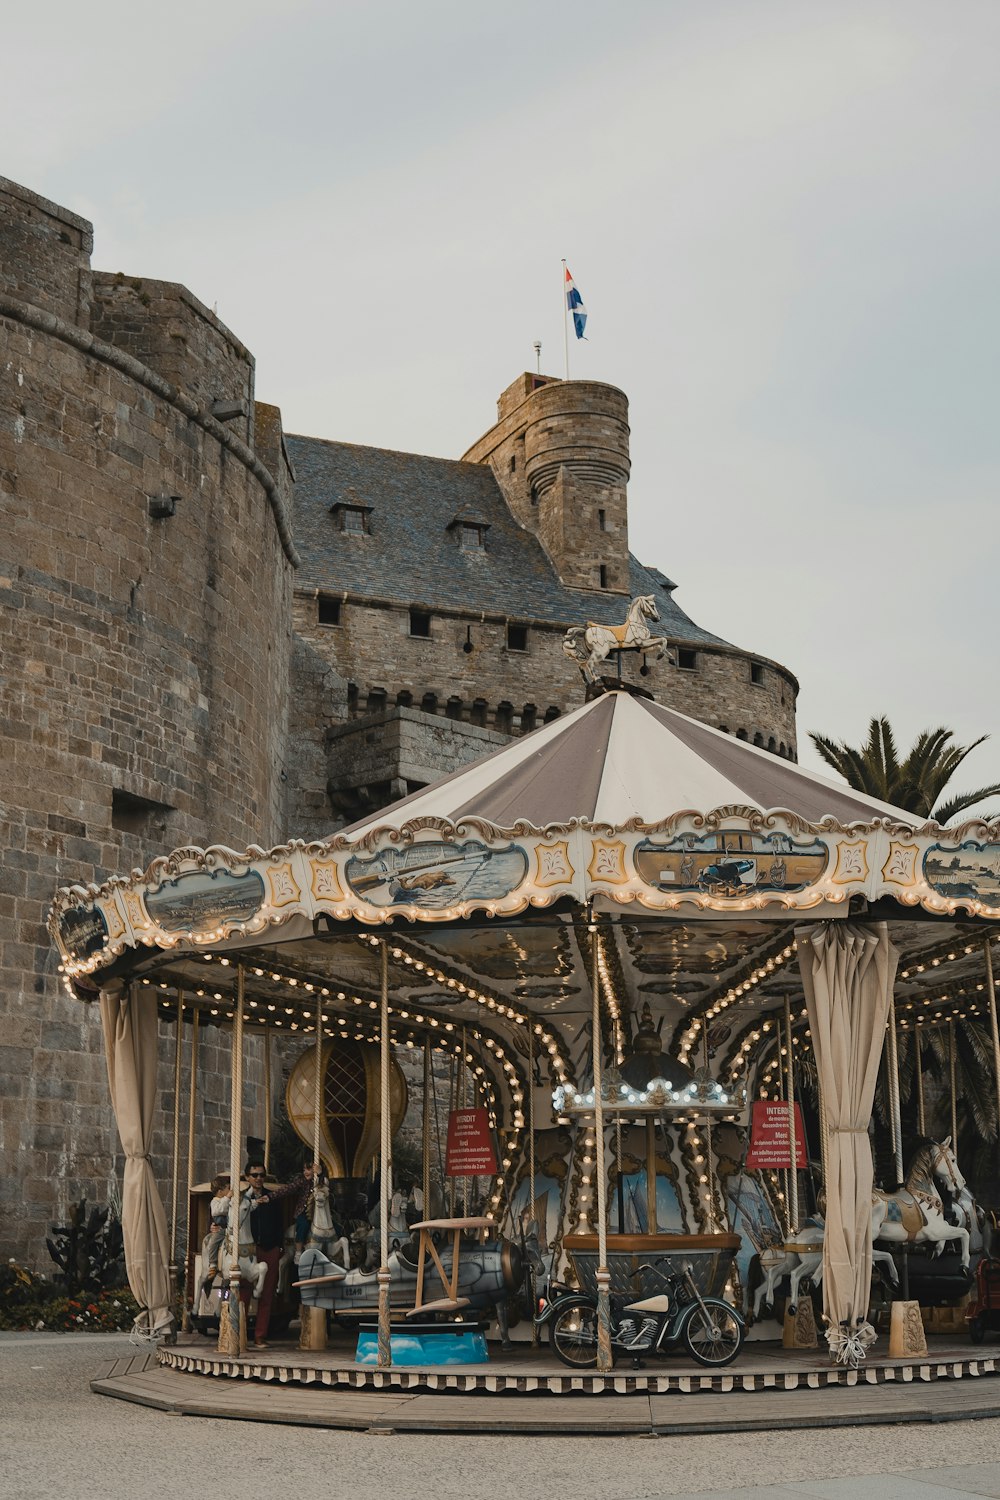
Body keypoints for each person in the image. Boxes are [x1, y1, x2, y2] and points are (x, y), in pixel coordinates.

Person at [242, 1158, 308, 1348]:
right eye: (255, 1175)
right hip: (250, 1250)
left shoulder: (272, 1198)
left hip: (269, 1248)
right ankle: (239, 1334)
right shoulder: (242, 1199)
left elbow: (280, 1223)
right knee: (244, 1292)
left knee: (267, 1294)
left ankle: (260, 1336)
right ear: (247, 1177)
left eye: (262, 1175)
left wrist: (279, 1247)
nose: (259, 1178)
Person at [201, 1173, 231, 1298]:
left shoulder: (227, 1200)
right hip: (221, 1229)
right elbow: (219, 1211)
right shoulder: (216, 1201)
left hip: (229, 1229)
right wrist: (227, 1198)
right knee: (213, 1242)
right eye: (228, 1189)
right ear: (220, 1191)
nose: (230, 1191)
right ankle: (213, 1263)